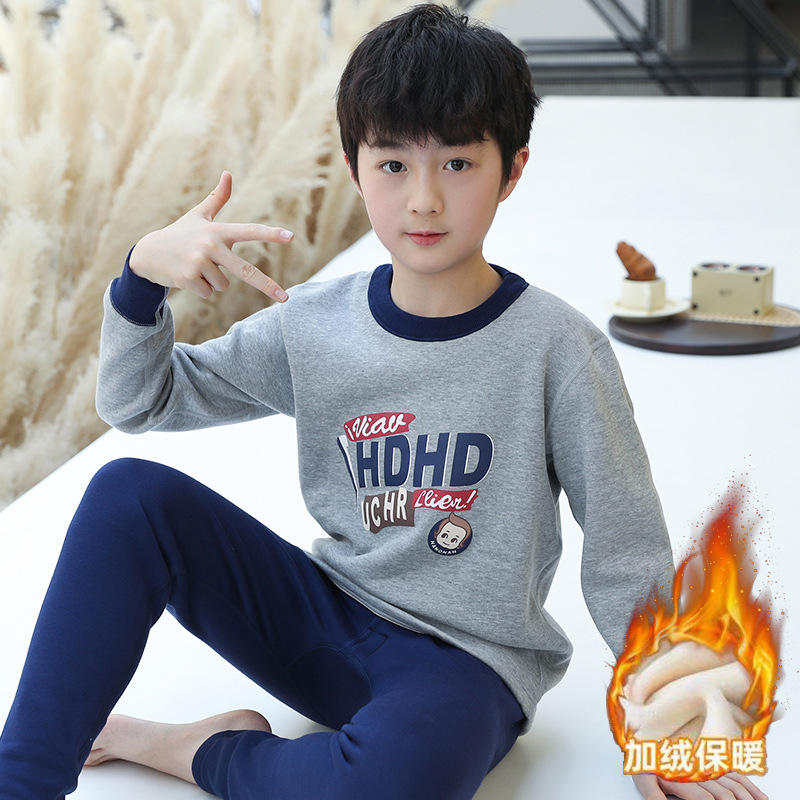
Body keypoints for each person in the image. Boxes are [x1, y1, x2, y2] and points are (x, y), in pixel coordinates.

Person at [0, 5, 767, 800]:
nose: (424, 199)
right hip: (324, 627)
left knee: (393, 784)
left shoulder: (558, 349)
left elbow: (624, 552)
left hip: (465, 669)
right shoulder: (312, 325)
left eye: (458, 163)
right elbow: (141, 401)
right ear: (354, 167)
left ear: (512, 171)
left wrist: (668, 737)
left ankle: (191, 750)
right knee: (127, 496)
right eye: (393, 164)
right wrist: (139, 277)